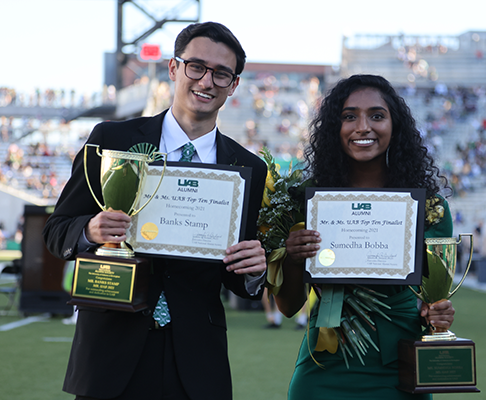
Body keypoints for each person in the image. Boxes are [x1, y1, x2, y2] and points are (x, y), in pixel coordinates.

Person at [42, 22, 267, 400]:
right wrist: (91, 230)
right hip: (110, 354)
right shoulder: (111, 140)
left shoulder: (249, 168)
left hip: (196, 361)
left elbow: (236, 275)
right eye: (196, 66)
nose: (206, 81)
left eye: (221, 73)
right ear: (174, 68)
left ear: (234, 85)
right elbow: (56, 230)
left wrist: (253, 270)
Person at [273, 75, 455, 399]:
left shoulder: (430, 208)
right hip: (324, 366)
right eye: (349, 116)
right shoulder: (304, 202)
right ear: (335, 127)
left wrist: (437, 312)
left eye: (376, 115)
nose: (363, 127)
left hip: (401, 368)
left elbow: (433, 300)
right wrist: (292, 258)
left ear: (395, 126)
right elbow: (288, 307)